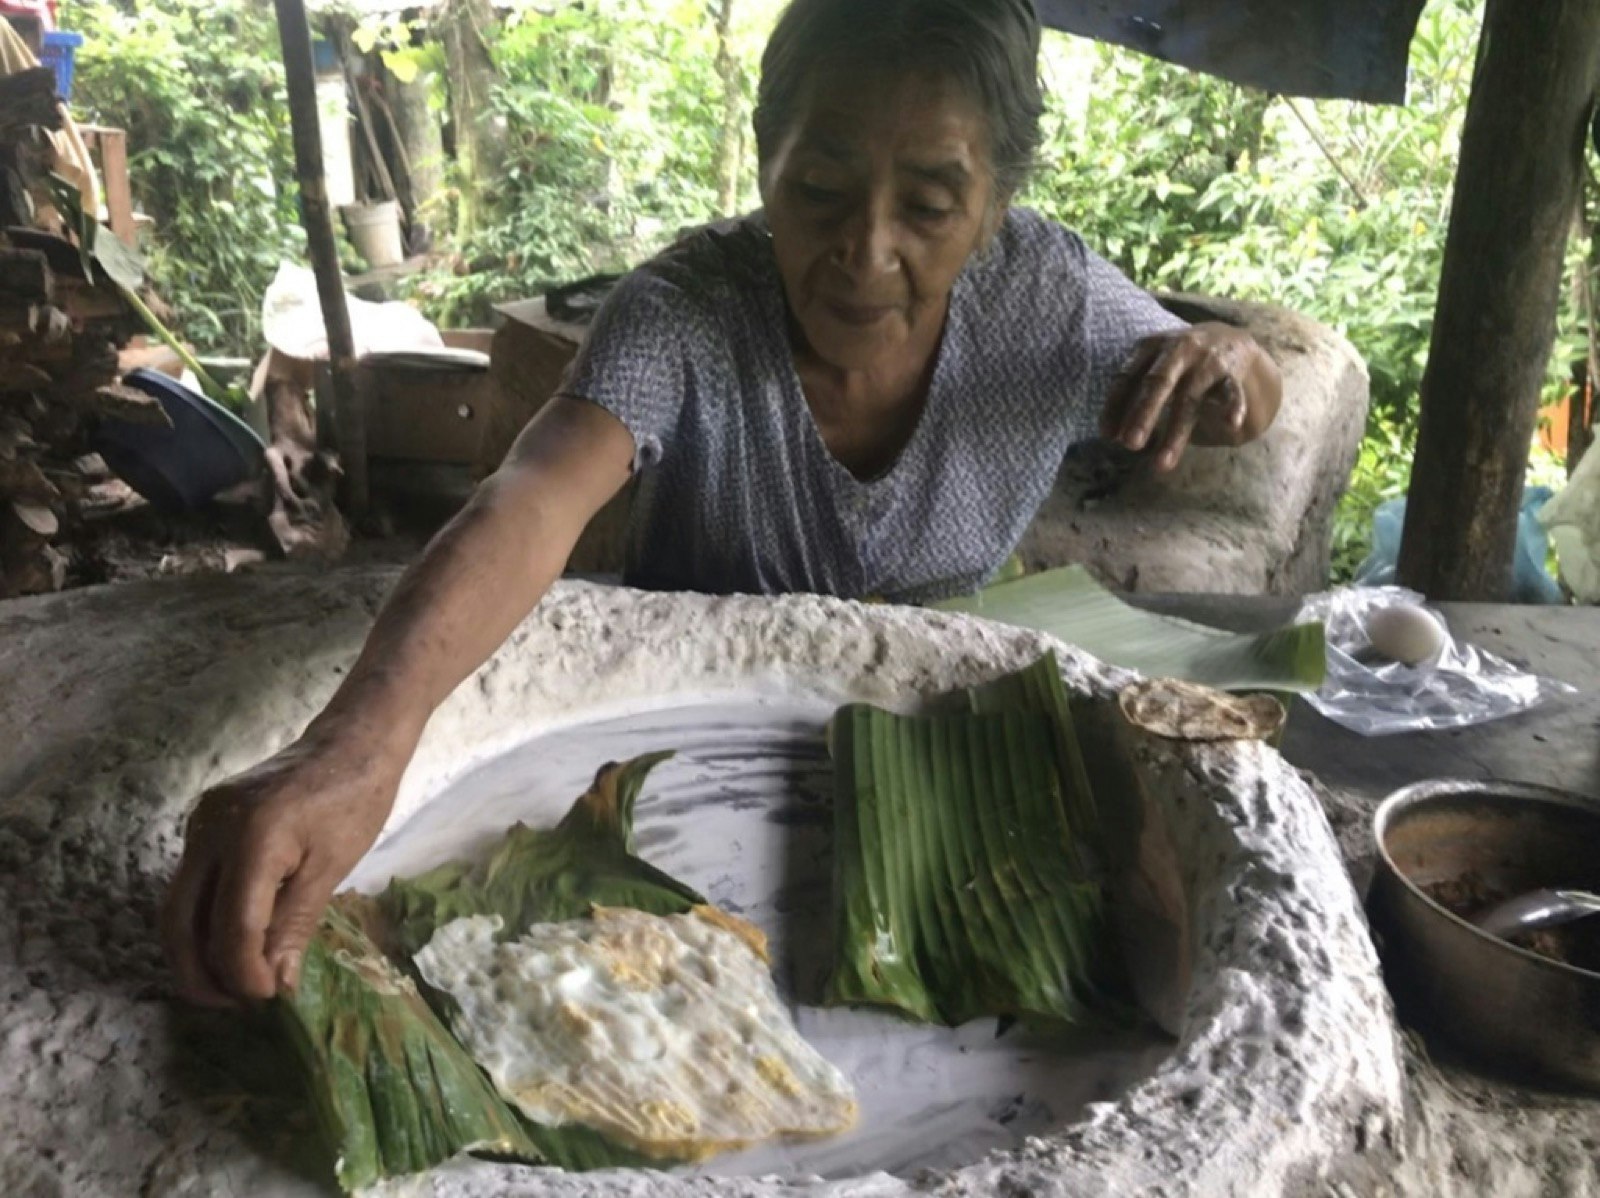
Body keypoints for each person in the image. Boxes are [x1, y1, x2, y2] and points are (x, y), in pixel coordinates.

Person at [164, 0, 1281, 1006]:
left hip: (933, 754)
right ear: (764, 161)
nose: (865, 249)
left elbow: (1235, 397)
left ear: (993, 207)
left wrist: (1231, 363)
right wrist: (361, 744)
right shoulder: (687, 311)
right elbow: (532, 499)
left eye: (930, 204)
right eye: (821, 189)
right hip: (676, 764)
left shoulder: (1048, 296)